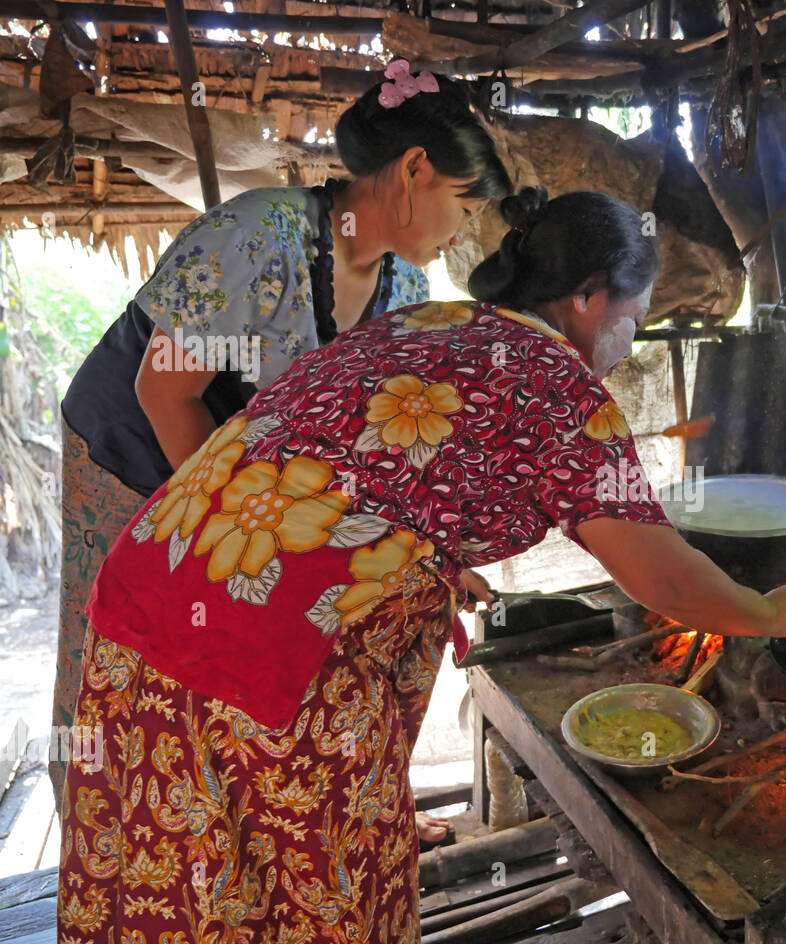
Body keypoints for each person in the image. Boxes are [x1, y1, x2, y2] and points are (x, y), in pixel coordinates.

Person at [55, 186, 786, 944]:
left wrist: (435, 558)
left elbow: (366, 472)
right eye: (631, 321)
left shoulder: (431, 322)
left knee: (184, 907)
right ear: (588, 296)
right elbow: (662, 578)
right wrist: (769, 611)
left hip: (141, 607)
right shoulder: (561, 387)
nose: (629, 347)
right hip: (266, 669)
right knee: (330, 910)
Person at [51, 61, 511, 811]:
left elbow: (367, 444)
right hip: (130, 448)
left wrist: (431, 550)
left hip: (237, 474)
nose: (465, 227)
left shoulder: (404, 289)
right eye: (463, 204)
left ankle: (229, 840)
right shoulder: (258, 235)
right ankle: (94, 834)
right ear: (415, 170)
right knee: (119, 650)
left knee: (221, 659)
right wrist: (248, 534)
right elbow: (163, 390)